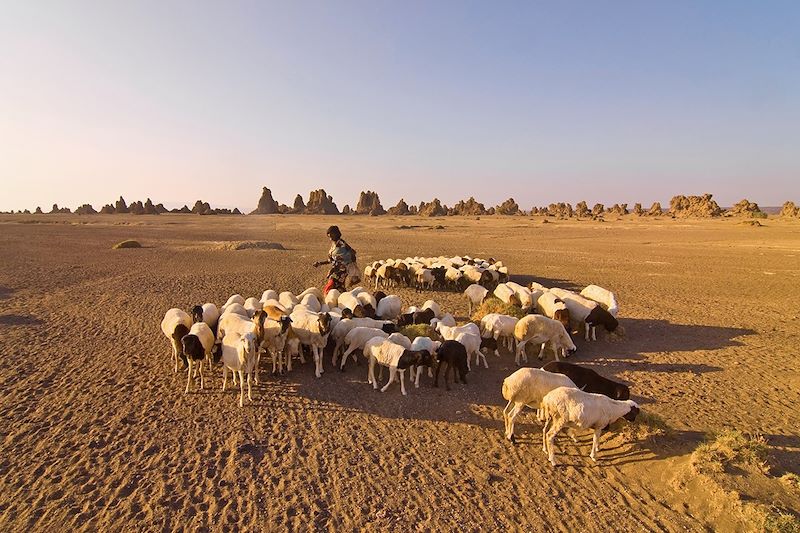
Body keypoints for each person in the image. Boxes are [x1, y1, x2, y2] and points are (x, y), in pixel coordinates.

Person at [313, 225, 360, 295]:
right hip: (335, 270)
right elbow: (331, 260)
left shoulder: (342, 244)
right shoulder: (333, 245)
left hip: (341, 271)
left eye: (331, 236)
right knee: (338, 289)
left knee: (329, 287)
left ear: (336, 234)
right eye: (329, 237)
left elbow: (353, 253)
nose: (330, 239)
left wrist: (349, 264)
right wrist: (320, 263)